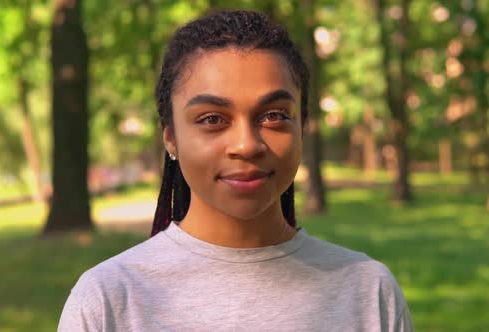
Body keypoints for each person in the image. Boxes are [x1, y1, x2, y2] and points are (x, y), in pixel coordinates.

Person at [58, 10, 413, 331]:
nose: (246, 144)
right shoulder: (109, 301)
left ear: (301, 127)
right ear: (171, 138)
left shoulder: (368, 291)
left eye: (273, 115)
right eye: (212, 119)